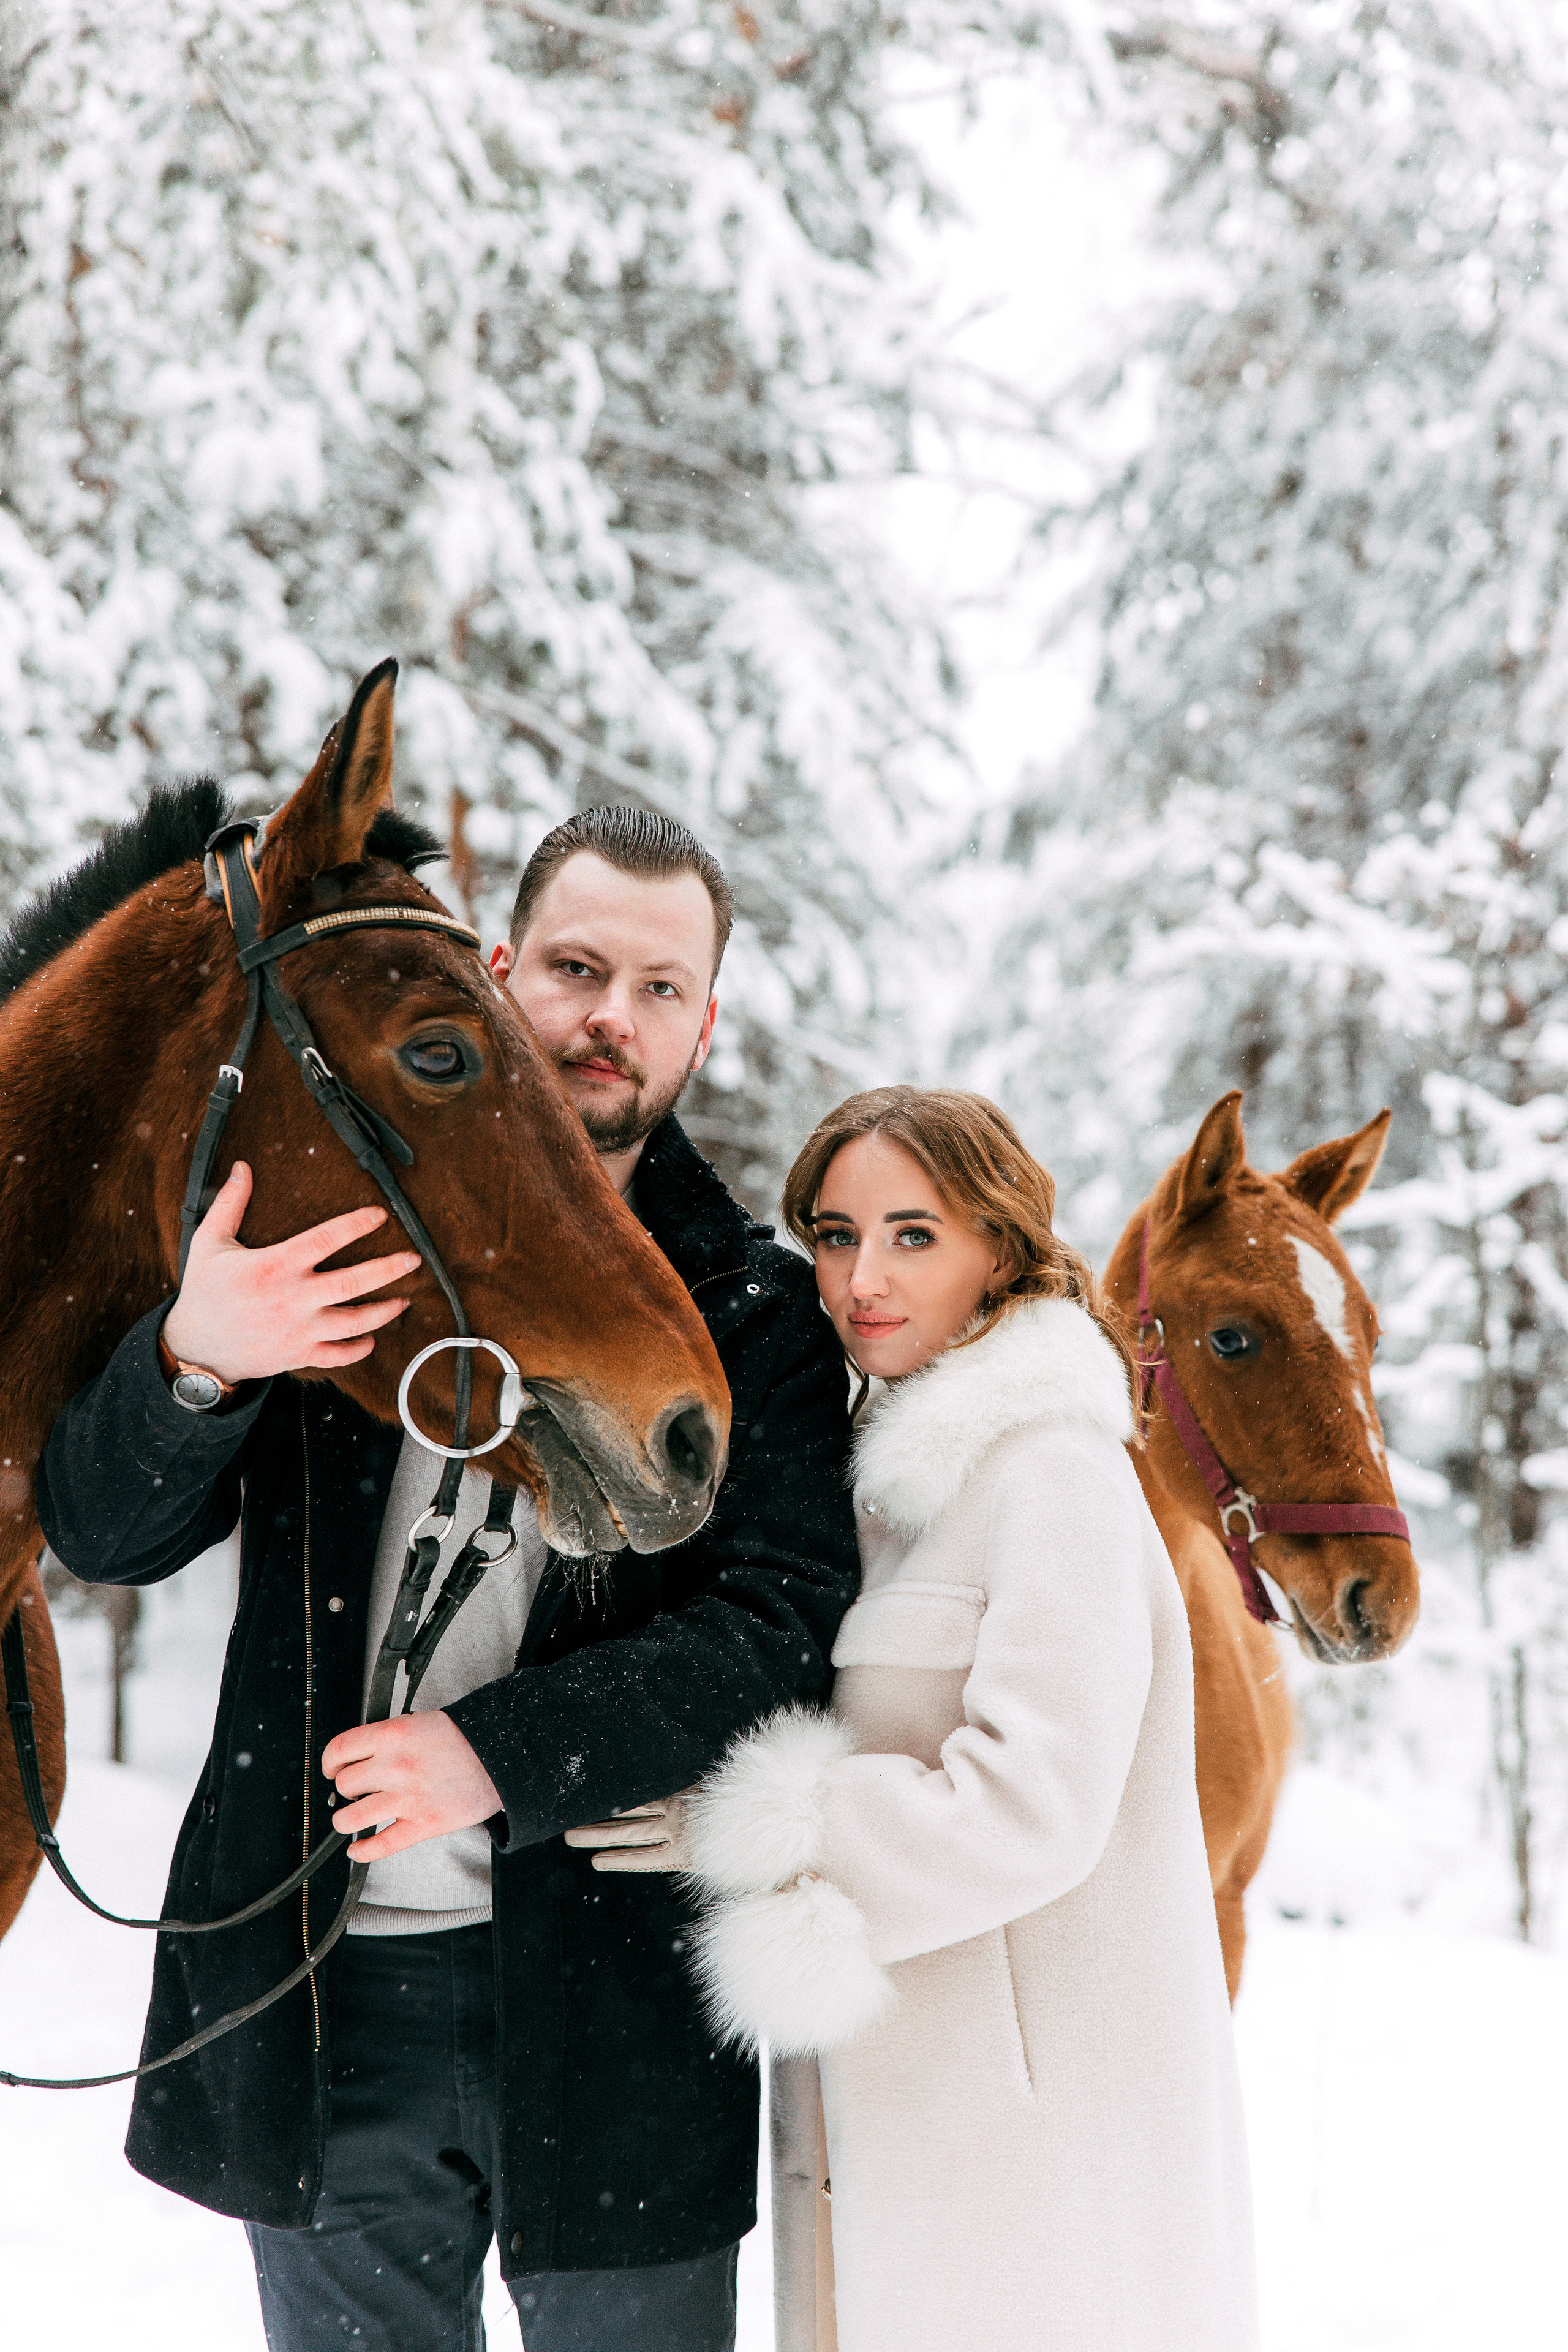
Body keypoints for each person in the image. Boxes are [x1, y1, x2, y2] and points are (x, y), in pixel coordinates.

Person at [37, 807, 861, 2352]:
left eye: (660, 988)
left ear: (703, 1025)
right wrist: (196, 1358)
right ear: (496, 972)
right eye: (575, 968)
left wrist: (498, 1756)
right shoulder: (339, 1238)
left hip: (618, 2020)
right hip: (325, 2005)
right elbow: (102, 1538)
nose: (611, 1018)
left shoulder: (752, 1310)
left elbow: (778, 1628)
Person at [673, 1087, 1261, 2352]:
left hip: (1033, 2141)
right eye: (836, 1236)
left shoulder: (1050, 1469)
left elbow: (1032, 1807)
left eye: (912, 1235)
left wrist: (755, 1825)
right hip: (909, 2116)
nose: (862, 1279)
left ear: (999, 1247)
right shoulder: (883, 1476)